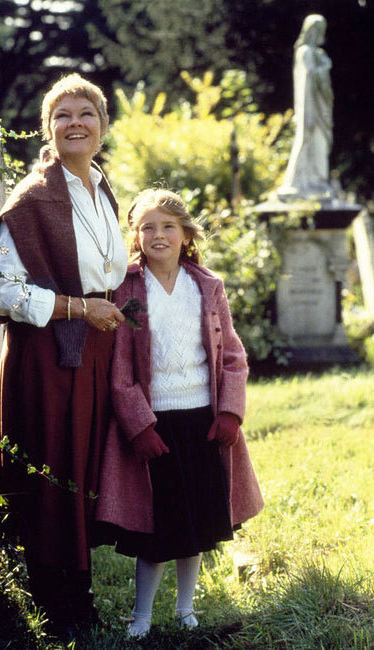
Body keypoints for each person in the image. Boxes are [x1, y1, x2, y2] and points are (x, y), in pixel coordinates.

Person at [0, 73, 127, 637]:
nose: (75, 123)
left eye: (85, 114)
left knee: (83, 466)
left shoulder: (102, 186)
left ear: (102, 127)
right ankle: (52, 607)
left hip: (94, 350)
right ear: (48, 129)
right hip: (48, 356)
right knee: (52, 469)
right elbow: (0, 290)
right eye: (62, 115)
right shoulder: (33, 198)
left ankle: (79, 595)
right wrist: (75, 309)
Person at [94, 189, 264, 638]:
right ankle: (142, 617)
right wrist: (138, 425)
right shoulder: (127, 289)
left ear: (186, 234)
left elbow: (231, 356)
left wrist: (229, 412)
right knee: (157, 528)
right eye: (147, 226)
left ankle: (186, 611)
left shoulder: (207, 286)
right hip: (156, 425)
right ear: (135, 235)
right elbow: (120, 371)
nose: (158, 234)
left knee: (197, 524)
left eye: (168, 226)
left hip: (203, 421)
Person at [277, 14, 334, 199]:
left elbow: (324, 87)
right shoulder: (305, 52)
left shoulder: (318, 54)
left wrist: (324, 64)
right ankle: (296, 182)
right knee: (305, 140)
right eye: (316, 30)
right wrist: (325, 67)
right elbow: (307, 79)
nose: (319, 34)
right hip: (309, 107)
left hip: (321, 107)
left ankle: (317, 181)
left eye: (321, 30)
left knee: (319, 143)